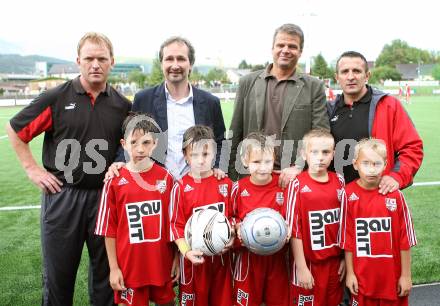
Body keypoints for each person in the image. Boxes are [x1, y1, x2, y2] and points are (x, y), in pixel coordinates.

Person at [6, 32, 131, 305]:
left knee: (106, 278)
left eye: (101, 58)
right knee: (58, 277)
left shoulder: (123, 105)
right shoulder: (56, 97)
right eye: (89, 58)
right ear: (78, 61)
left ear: (112, 61)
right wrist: (32, 169)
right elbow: (16, 129)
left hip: (104, 199)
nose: (95, 64)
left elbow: (134, 144)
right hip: (64, 195)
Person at [109, 36, 226, 180]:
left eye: (181, 59)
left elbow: (220, 141)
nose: (175, 65)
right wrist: (120, 161)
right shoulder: (144, 99)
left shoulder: (210, 102)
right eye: (169, 59)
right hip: (156, 188)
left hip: (197, 186)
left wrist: (219, 167)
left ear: (190, 64)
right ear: (161, 63)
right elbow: (131, 138)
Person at [228, 23, 330, 187]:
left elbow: (321, 134)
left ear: (300, 52)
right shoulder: (247, 82)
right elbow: (235, 132)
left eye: (292, 46)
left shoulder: (314, 86)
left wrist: (298, 166)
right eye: (280, 45)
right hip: (253, 178)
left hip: (292, 179)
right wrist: (233, 175)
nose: (285, 50)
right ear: (272, 48)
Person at [95, 113, 177, 306]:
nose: (140, 149)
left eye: (146, 142)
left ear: (155, 143)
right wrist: (114, 268)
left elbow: (175, 223)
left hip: (161, 265)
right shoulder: (114, 181)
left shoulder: (167, 178)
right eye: (134, 142)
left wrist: (176, 258)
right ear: (123, 143)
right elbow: (109, 229)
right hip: (129, 268)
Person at [328, 51, 423, 193]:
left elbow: (412, 148)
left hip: (376, 196)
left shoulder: (389, 105)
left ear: (367, 76)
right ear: (337, 77)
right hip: (337, 199)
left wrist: (397, 176)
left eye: (357, 71)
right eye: (344, 71)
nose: (351, 77)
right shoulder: (329, 109)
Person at [339, 138, 417, 306]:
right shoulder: (348, 194)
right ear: (355, 164)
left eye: (376, 164)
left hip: (393, 279)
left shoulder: (395, 195)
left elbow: (405, 240)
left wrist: (406, 275)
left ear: (386, 164)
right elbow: (348, 238)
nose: (371, 169)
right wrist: (350, 274)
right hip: (362, 280)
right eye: (365, 163)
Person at [170, 125, 234, 306]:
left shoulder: (226, 183)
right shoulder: (180, 187)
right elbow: (175, 225)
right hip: (193, 263)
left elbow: (234, 218)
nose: (200, 160)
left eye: (205, 154)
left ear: (214, 152)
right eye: (194, 155)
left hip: (222, 262)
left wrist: (231, 238)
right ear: (185, 156)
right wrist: (186, 251)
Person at [285, 129, 345, 306]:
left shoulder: (339, 181)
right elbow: (294, 230)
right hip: (308, 264)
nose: (320, 157)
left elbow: (345, 224)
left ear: (333, 154)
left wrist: (343, 259)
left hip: (334, 263)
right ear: (304, 154)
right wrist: (302, 268)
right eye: (314, 152)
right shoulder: (296, 185)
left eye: (326, 152)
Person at [232, 132, 289, 306]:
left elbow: (292, 215)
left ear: (274, 160)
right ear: (244, 161)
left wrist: (288, 227)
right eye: (256, 162)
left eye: (267, 161)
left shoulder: (283, 185)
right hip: (248, 259)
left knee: (279, 301)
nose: (263, 167)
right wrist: (237, 227)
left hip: (278, 259)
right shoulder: (238, 189)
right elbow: (230, 217)